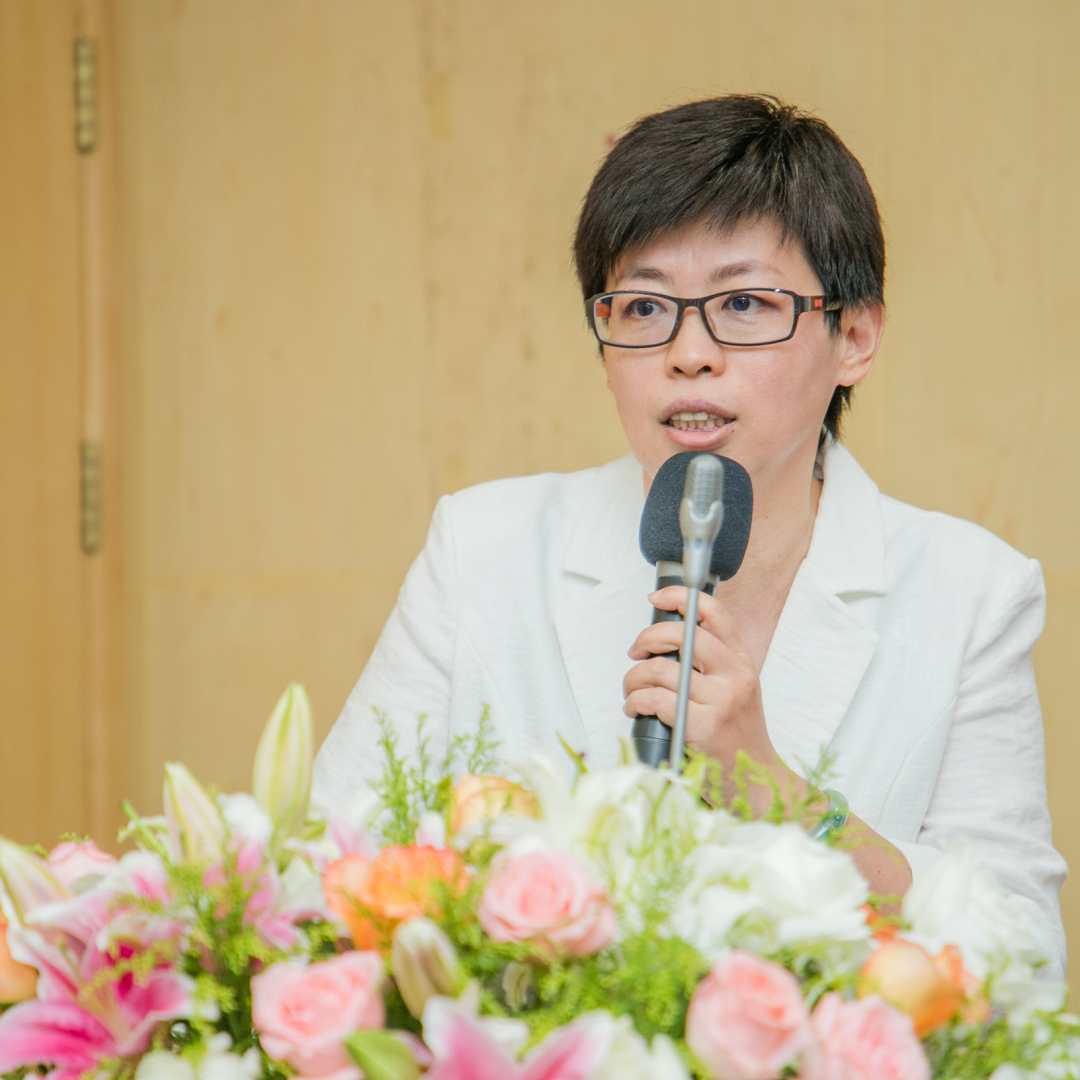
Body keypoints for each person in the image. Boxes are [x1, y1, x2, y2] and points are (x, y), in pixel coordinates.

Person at [313, 95, 1066, 976]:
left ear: (854, 337)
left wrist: (777, 794)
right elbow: (325, 872)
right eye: (643, 308)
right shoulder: (482, 550)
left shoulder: (971, 596)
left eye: (743, 302)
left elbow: (1024, 959)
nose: (689, 352)